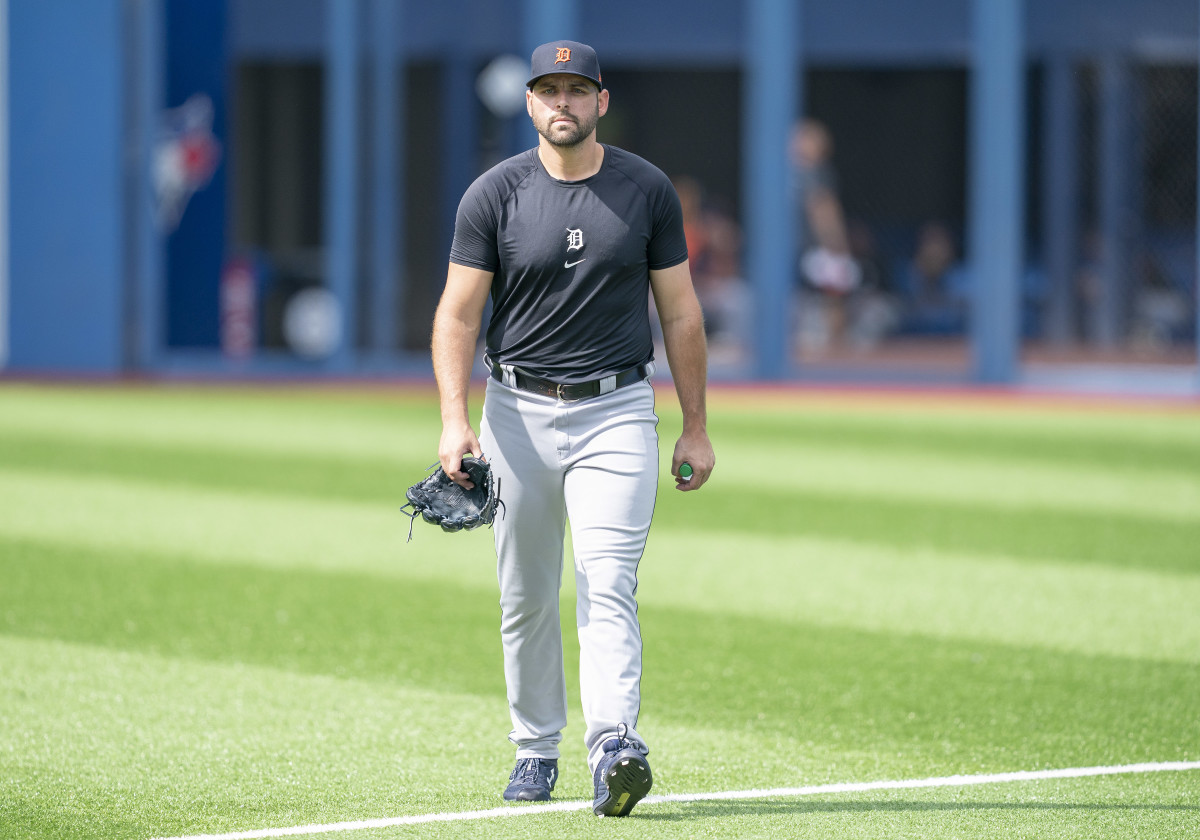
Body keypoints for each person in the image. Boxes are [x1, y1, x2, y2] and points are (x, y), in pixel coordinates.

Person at [429, 39, 715, 818]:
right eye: (548, 91)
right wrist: (456, 421)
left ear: (601, 102)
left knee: (606, 584)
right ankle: (534, 748)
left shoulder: (645, 190)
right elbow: (457, 314)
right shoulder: (494, 194)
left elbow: (681, 312)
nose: (563, 103)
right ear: (529, 103)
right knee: (523, 594)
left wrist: (695, 426)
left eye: (576, 90)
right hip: (515, 412)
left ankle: (614, 744)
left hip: (617, 412)